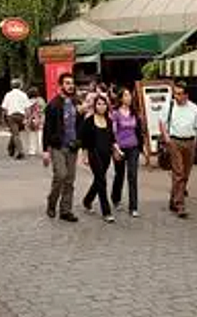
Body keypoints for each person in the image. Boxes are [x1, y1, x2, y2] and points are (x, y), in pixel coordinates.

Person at [159, 81, 197, 219]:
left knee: (185, 174)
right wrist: (167, 138)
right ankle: (180, 205)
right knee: (179, 172)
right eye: (175, 93)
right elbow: (162, 122)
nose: (176, 96)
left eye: (179, 94)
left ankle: (173, 200)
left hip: (190, 142)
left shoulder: (194, 108)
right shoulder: (170, 105)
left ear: (186, 95)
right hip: (175, 141)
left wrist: (195, 142)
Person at [43, 73, 80, 222]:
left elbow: (81, 124)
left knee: (70, 179)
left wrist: (80, 142)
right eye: (67, 83)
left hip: (72, 146)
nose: (70, 86)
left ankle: (66, 210)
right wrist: (45, 150)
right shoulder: (53, 105)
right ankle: (51, 202)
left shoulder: (77, 102)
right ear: (61, 86)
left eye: (72, 83)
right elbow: (47, 129)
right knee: (61, 175)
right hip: (57, 146)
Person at [80, 95, 120, 223]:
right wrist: (85, 156)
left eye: (103, 104)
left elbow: (112, 139)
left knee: (98, 180)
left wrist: (116, 150)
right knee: (102, 181)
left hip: (106, 155)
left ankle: (87, 200)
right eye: (99, 104)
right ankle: (106, 212)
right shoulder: (89, 121)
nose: (101, 106)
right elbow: (84, 141)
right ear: (94, 106)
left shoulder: (109, 121)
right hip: (94, 154)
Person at [111, 87, 145, 218]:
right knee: (119, 175)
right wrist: (114, 148)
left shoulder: (134, 112)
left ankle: (134, 207)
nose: (128, 98)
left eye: (129, 95)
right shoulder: (115, 113)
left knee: (133, 175)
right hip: (119, 147)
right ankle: (115, 198)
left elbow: (139, 130)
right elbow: (113, 132)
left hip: (133, 147)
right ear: (120, 98)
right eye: (126, 95)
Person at [1, 78, 29, 159]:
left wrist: (4, 117)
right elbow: (27, 108)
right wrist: (27, 118)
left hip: (11, 116)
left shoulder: (8, 95)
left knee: (15, 133)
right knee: (16, 133)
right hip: (21, 116)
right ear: (20, 86)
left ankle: (20, 151)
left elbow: (4, 108)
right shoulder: (24, 95)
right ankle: (11, 149)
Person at [24, 87, 46, 156]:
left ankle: (32, 151)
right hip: (40, 119)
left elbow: (27, 112)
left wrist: (26, 119)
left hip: (31, 120)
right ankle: (42, 150)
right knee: (40, 135)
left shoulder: (28, 101)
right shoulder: (41, 100)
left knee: (32, 136)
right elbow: (44, 109)